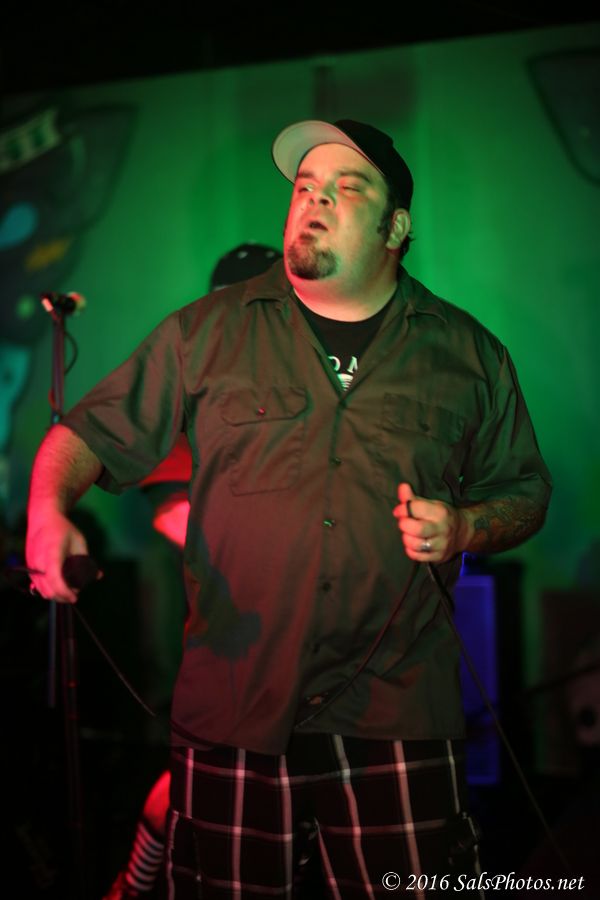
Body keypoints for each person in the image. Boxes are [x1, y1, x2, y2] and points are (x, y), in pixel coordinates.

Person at [26, 119, 552, 899]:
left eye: (346, 188)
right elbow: (85, 435)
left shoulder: (469, 353)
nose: (315, 199)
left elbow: (526, 493)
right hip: (235, 705)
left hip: (397, 709)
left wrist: (466, 527)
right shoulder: (206, 331)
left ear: (395, 228)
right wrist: (47, 511)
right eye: (305, 186)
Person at [104, 243, 285, 900]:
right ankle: (131, 886)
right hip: (234, 634)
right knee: (195, 787)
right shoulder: (196, 386)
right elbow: (169, 510)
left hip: (311, 638)